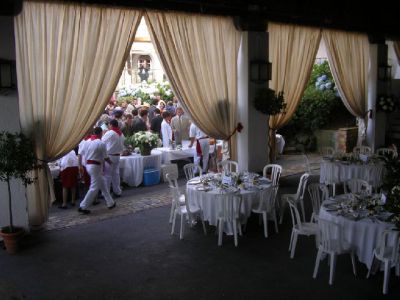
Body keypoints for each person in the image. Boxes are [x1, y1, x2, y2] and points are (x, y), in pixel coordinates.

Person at [78, 127, 116, 214]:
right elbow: (106, 158)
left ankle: (110, 202)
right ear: (100, 133)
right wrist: (112, 163)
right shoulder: (101, 143)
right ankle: (83, 206)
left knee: (102, 183)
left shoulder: (86, 142)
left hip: (88, 165)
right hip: (95, 166)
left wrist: (80, 164)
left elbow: (81, 154)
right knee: (94, 187)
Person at [102, 119, 124, 197]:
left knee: (107, 175)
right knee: (116, 174)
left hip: (110, 156)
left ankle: (106, 193)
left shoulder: (110, 133)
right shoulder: (121, 133)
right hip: (117, 156)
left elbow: (102, 142)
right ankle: (117, 191)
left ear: (111, 125)